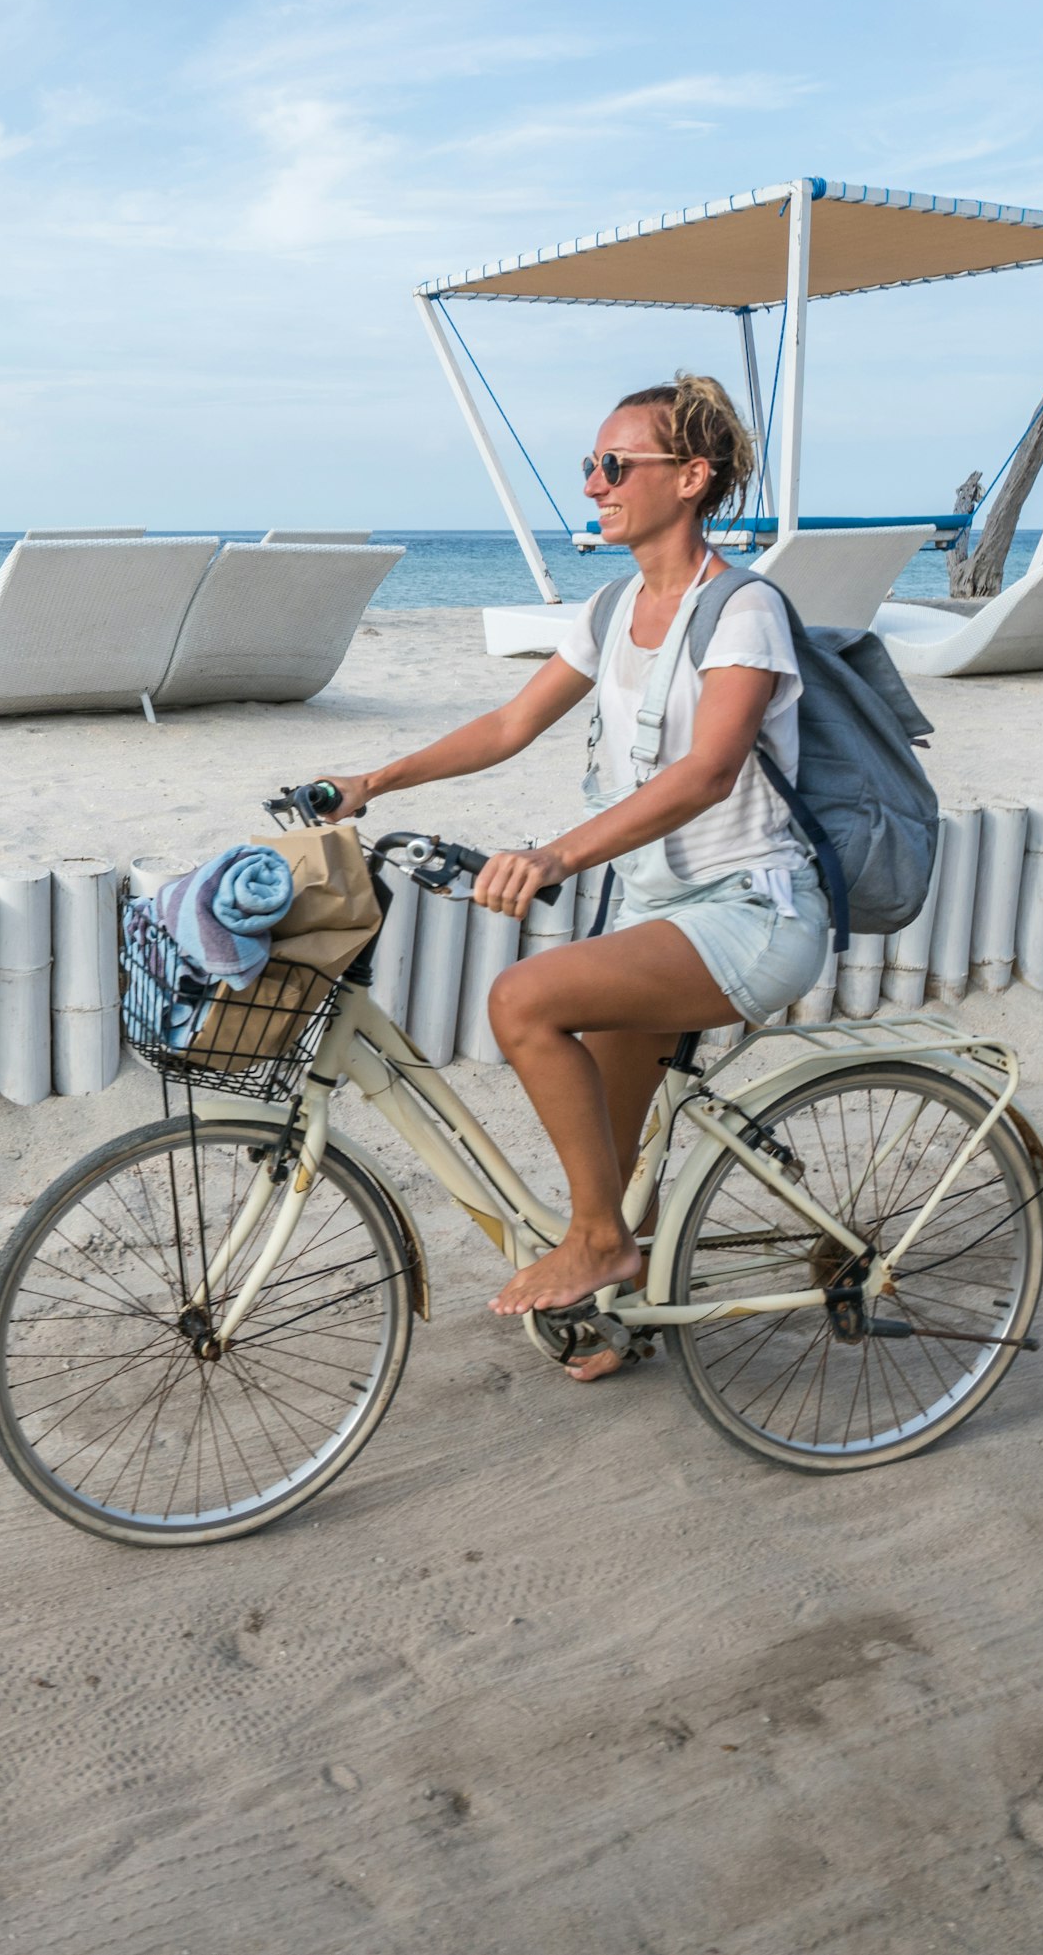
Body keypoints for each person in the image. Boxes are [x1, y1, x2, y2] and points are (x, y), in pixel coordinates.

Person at [306, 375, 829, 1373]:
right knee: (616, 1151)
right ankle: (619, 1283)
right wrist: (373, 778)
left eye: (615, 464)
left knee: (525, 1000)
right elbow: (509, 724)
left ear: (692, 477)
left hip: (752, 913)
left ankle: (597, 1243)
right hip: (660, 909)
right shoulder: (614, 603)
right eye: (590, 465)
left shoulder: (744, 609)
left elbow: (707, 772)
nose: (594, 483)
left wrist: (554, 853)